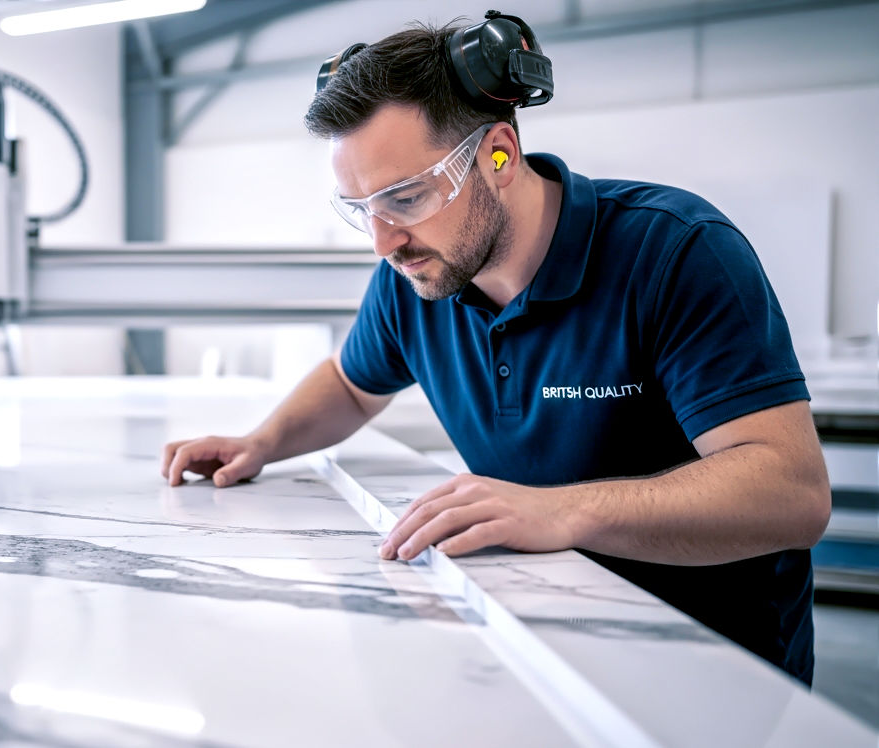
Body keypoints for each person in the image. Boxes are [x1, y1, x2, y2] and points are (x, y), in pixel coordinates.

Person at [158, 20, 830, 685]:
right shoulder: (418, 278)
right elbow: (350, 383)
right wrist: (263, 442)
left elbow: (792, 494)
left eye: (406, 197)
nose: (383, 242)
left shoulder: (675, 252)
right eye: (361, 209)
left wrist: (564, 510)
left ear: (500, 154)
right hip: (540, 643)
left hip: (717, 669)